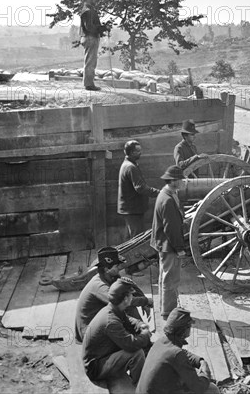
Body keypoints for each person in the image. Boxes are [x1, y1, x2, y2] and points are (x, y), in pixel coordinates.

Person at [75, 246, 153, 343]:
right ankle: (142, 342)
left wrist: (143, 300)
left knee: (128, 307)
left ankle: (143, 341)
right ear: (107, 269)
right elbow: (124, 301)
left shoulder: (111, 276)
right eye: (116, 266)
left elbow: (128, 284)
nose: (119, 268)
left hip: (101, 321)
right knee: (127, 307)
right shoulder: (99, 286)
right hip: (89, 331)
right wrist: (146, 301)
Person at [82, 279, 152, 387]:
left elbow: (128, 319)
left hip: (103, 355)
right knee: (137, 354)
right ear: (125, 299)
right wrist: (145, 335)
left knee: (135, 337)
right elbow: (131, 345)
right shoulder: (111, 321)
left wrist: (140, 325)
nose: (132, 297)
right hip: (96, 368)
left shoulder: (113, 308)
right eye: (131, 295)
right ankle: (140, 386)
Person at [136, 307, 219, 394]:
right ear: (184, 330)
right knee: (212, 389)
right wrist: (205, 374)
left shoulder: (161, 341)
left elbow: (182, 353)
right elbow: (198, 387)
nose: (190, 328)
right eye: (189, 326)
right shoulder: (176, 354)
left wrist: (199, 360)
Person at [150, 165, 186, 320]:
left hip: (164, 244)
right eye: (180, 179)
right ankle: (169, 314)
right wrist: (179, 249)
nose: (183, 182)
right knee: (171, 280)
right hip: (168, 246)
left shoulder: (168, 194)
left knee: (165, 277)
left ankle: (165, 308)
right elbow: (171, 229)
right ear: (172, 181)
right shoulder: (167, 200)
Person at [118, 140, 160, 238]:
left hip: (130, 209)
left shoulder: (128, 164)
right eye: (138, 151)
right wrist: (159, 193)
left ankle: (122, 253)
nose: (140, 153)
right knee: (136, 238)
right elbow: (140, 188)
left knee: (129, 237)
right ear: (132, 152)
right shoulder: (130, 167)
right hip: (132, 209)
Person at [79, 0, 106, 91]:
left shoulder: (87, 9)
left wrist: (100, 28)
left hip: (88, 37)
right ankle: (89, 84)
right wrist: (100, 28)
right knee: (91, 62)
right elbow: (89, 27)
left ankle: (88, 83)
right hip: (90, 37)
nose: (95, 1)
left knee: (90, 61)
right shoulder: (88, 10)